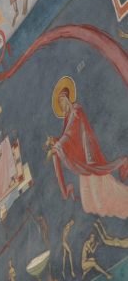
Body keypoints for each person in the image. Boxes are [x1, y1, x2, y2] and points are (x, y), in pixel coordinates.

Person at [47, 78, 128, 219]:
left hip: (89, 155)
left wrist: (59, 145)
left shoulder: (76, 111)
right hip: (82, 158)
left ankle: (122, 164)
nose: (61, 105)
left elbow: (70, 133)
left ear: (66, 99)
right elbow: (66, 136)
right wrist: (55, 141)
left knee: (101, 190)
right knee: (89, 202)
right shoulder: (68, 117)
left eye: (61, 102)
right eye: (59, 103)